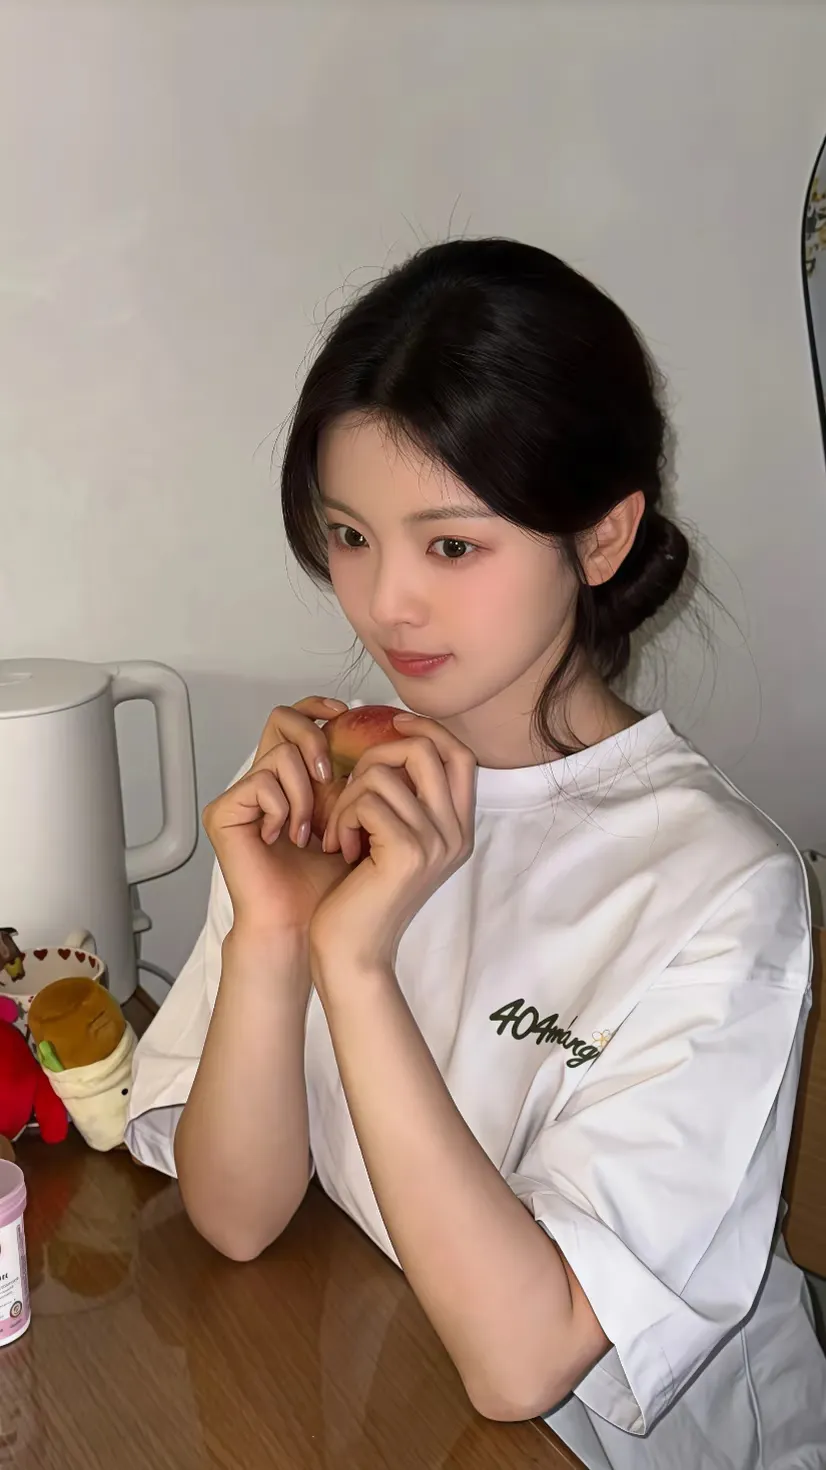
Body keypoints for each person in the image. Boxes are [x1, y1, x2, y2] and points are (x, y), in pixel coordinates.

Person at [126, 239, 826, 1469]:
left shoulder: (722, 889)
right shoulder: (326, 781)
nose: (385, 602)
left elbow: (521, 1364)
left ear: (600, 538)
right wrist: (278, 936)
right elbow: (236, 1217)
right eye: (350, 535)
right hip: (378, 1385)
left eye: (450, 546)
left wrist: (357, 966)